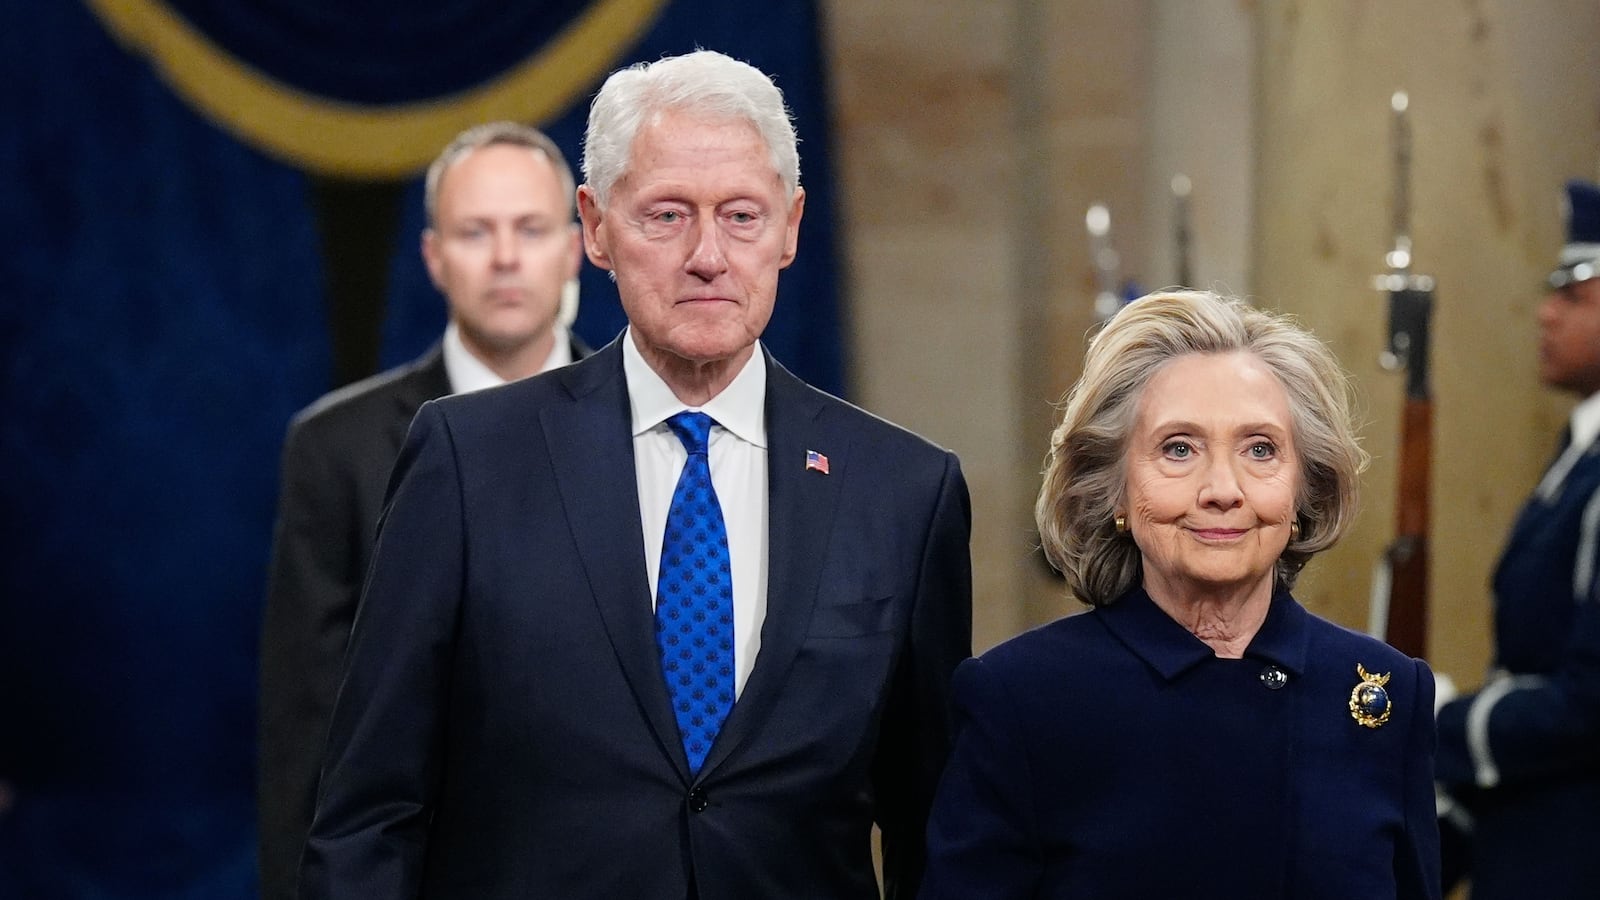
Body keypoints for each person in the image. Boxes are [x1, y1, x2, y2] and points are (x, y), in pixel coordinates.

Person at [297, 50, 972, 900]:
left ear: (792, 227)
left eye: (742, 215)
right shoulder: (468, 462)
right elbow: (368, 815)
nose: (707, 255)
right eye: (667, 215)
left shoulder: (903, 490)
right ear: (596, 226)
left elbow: (938, 831)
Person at [922, 290, 1441, 899]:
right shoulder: (1020, 699)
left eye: (1260, 449)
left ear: (1304, 489)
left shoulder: (1385, 694)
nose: (1222, 489)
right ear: (1114, 488)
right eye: (1179, 449)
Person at [256, 121, 590, 900]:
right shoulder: (336, 448)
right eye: (476, 232)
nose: (505, 257)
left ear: (576, 249)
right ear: (434, 257)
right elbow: (306, 723)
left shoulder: (647, 426)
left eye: (530, 229)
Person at [1434, 179, 1600, 899]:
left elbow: (1590, 704)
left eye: (1575, 296)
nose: (1545, 312)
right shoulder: (1579, 454)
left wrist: (1444, 721)